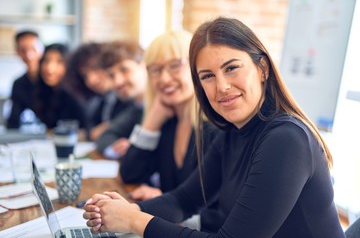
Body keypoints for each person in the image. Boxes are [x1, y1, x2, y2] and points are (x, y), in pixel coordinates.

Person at [83, 17, 345, 237]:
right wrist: (127, 209)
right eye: (207, 76)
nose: (221, 86)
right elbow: (182, 200)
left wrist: (134, 221)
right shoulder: (232, 133)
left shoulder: (287, 139)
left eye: (231, 68)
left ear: (262, 68)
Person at [109, 30, 218, 206]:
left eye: (175, 65)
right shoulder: (168, 122)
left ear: (196, 67)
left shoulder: (216, 126)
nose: (164, 79)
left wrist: (163, 202)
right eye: (156, 70)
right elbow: (129, 174)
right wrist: (150, 123)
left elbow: (216, 209)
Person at [94, 41, 147, 154]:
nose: (118, 82)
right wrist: (117, 147)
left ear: (144, 65)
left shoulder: (163, 104)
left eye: (124, 70)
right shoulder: (136, 106)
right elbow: (105, 136)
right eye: (111, 75)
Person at [64, 42, 117, 141]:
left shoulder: (127, 98)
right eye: (84, 75)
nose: (91, 80)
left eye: (95, 68)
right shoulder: (97, 103)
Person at [32, 43, 85, 129]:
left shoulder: (78, 95)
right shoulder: (42, 91)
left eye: (59, 62)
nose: (50, 68)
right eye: (46, 61)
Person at [7, 30, 44, 128]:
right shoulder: (19, 84)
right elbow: (13, 120)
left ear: (41, 49)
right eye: (23, 50)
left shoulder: (52, 79)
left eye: (33, 49)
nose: (29, 55)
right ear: (17, 52)